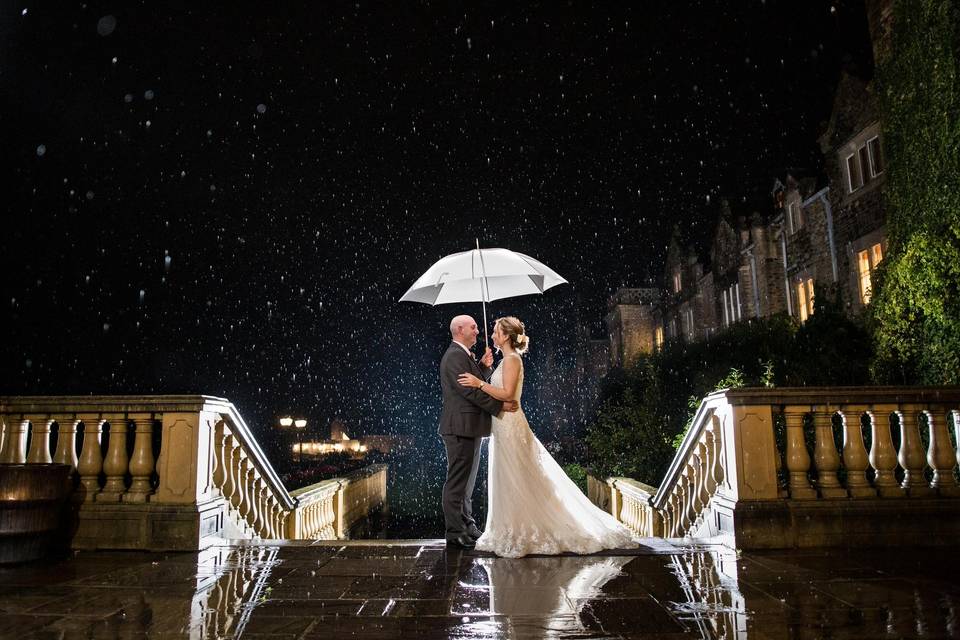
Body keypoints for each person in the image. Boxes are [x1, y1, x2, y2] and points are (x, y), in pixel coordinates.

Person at [458, 316, 636, 558]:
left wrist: (479, 383)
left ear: (507, 337)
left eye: (496, 332)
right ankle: (511, 527)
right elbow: (500, 392)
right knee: (511, 476)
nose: (492, 336)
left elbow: (508, 394)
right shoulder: (505, 360)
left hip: (510, 425)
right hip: (502, 424)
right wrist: (484, 367)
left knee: (518, 476)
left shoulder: (512, 360)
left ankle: (527, 529)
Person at [439, 314, 519, 549]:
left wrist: (483, 367)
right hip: (459, 428)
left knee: (466, 483)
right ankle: (454, 532)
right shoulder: (454, 356)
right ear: (460, 329)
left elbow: (475, 383)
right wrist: (500, 406)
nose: (477, 331)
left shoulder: (464, 356)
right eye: (473, 328)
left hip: (469, 427)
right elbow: (470, 393)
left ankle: (467, 524)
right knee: (456, 483)